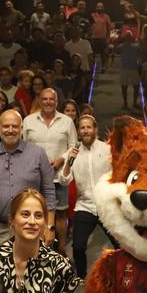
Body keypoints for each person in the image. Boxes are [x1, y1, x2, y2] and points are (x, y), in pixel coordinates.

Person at [0, 110, 56, 248]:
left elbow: (49, 192)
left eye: (15, 126)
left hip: (31, 227)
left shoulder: (38, 153)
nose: (10, 130)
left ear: (21, 128)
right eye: (6, 126)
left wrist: (49, 227)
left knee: (32, 269)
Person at [22, 88, 78, 250]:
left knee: (60, 215)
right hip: (34, 177)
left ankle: (60, 251)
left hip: (59, 176)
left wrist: (62, 159)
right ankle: (36, 249)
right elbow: (23, 146)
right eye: (44, 99)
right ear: (39, 100)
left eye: (51, 99)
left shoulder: (67, 121)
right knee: (35, 212)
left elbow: (74, 146)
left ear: (56, 101)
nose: (48, 102)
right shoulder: (28, 121)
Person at [57, 114, 112, 278]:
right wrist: (69, 162)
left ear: (95, 129)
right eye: (82, 128)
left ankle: (123, 273)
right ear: (79, 132)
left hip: (106, 205)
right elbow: (64, 180)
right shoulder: (72, 153)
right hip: (85, 206)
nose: (86, 131)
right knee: (78, 246)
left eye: (89, 127)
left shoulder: (107, 149)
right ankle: (81, 277)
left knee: (120, 244)